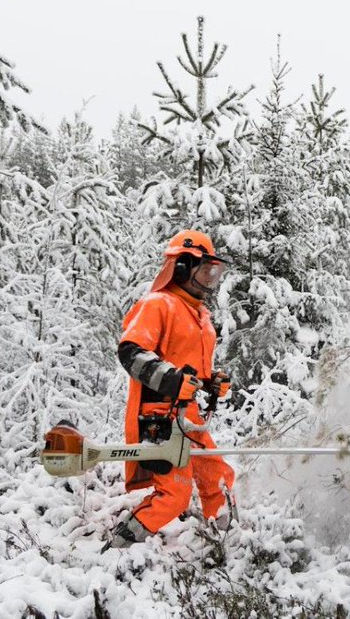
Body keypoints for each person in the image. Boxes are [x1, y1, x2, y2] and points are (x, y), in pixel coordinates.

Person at [109, 229, 235, 548]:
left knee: (217, 478)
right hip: (160, 419)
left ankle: (227, 547)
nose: (210, 279)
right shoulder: (158, 304)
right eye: (204, 270)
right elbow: (131, 352)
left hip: (189, 417)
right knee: (174, 495)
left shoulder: (200, 315)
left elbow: (188, 369)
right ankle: (118, 550)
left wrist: (209, 382)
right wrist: (173, 380)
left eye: (214, 272)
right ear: (181, 267)